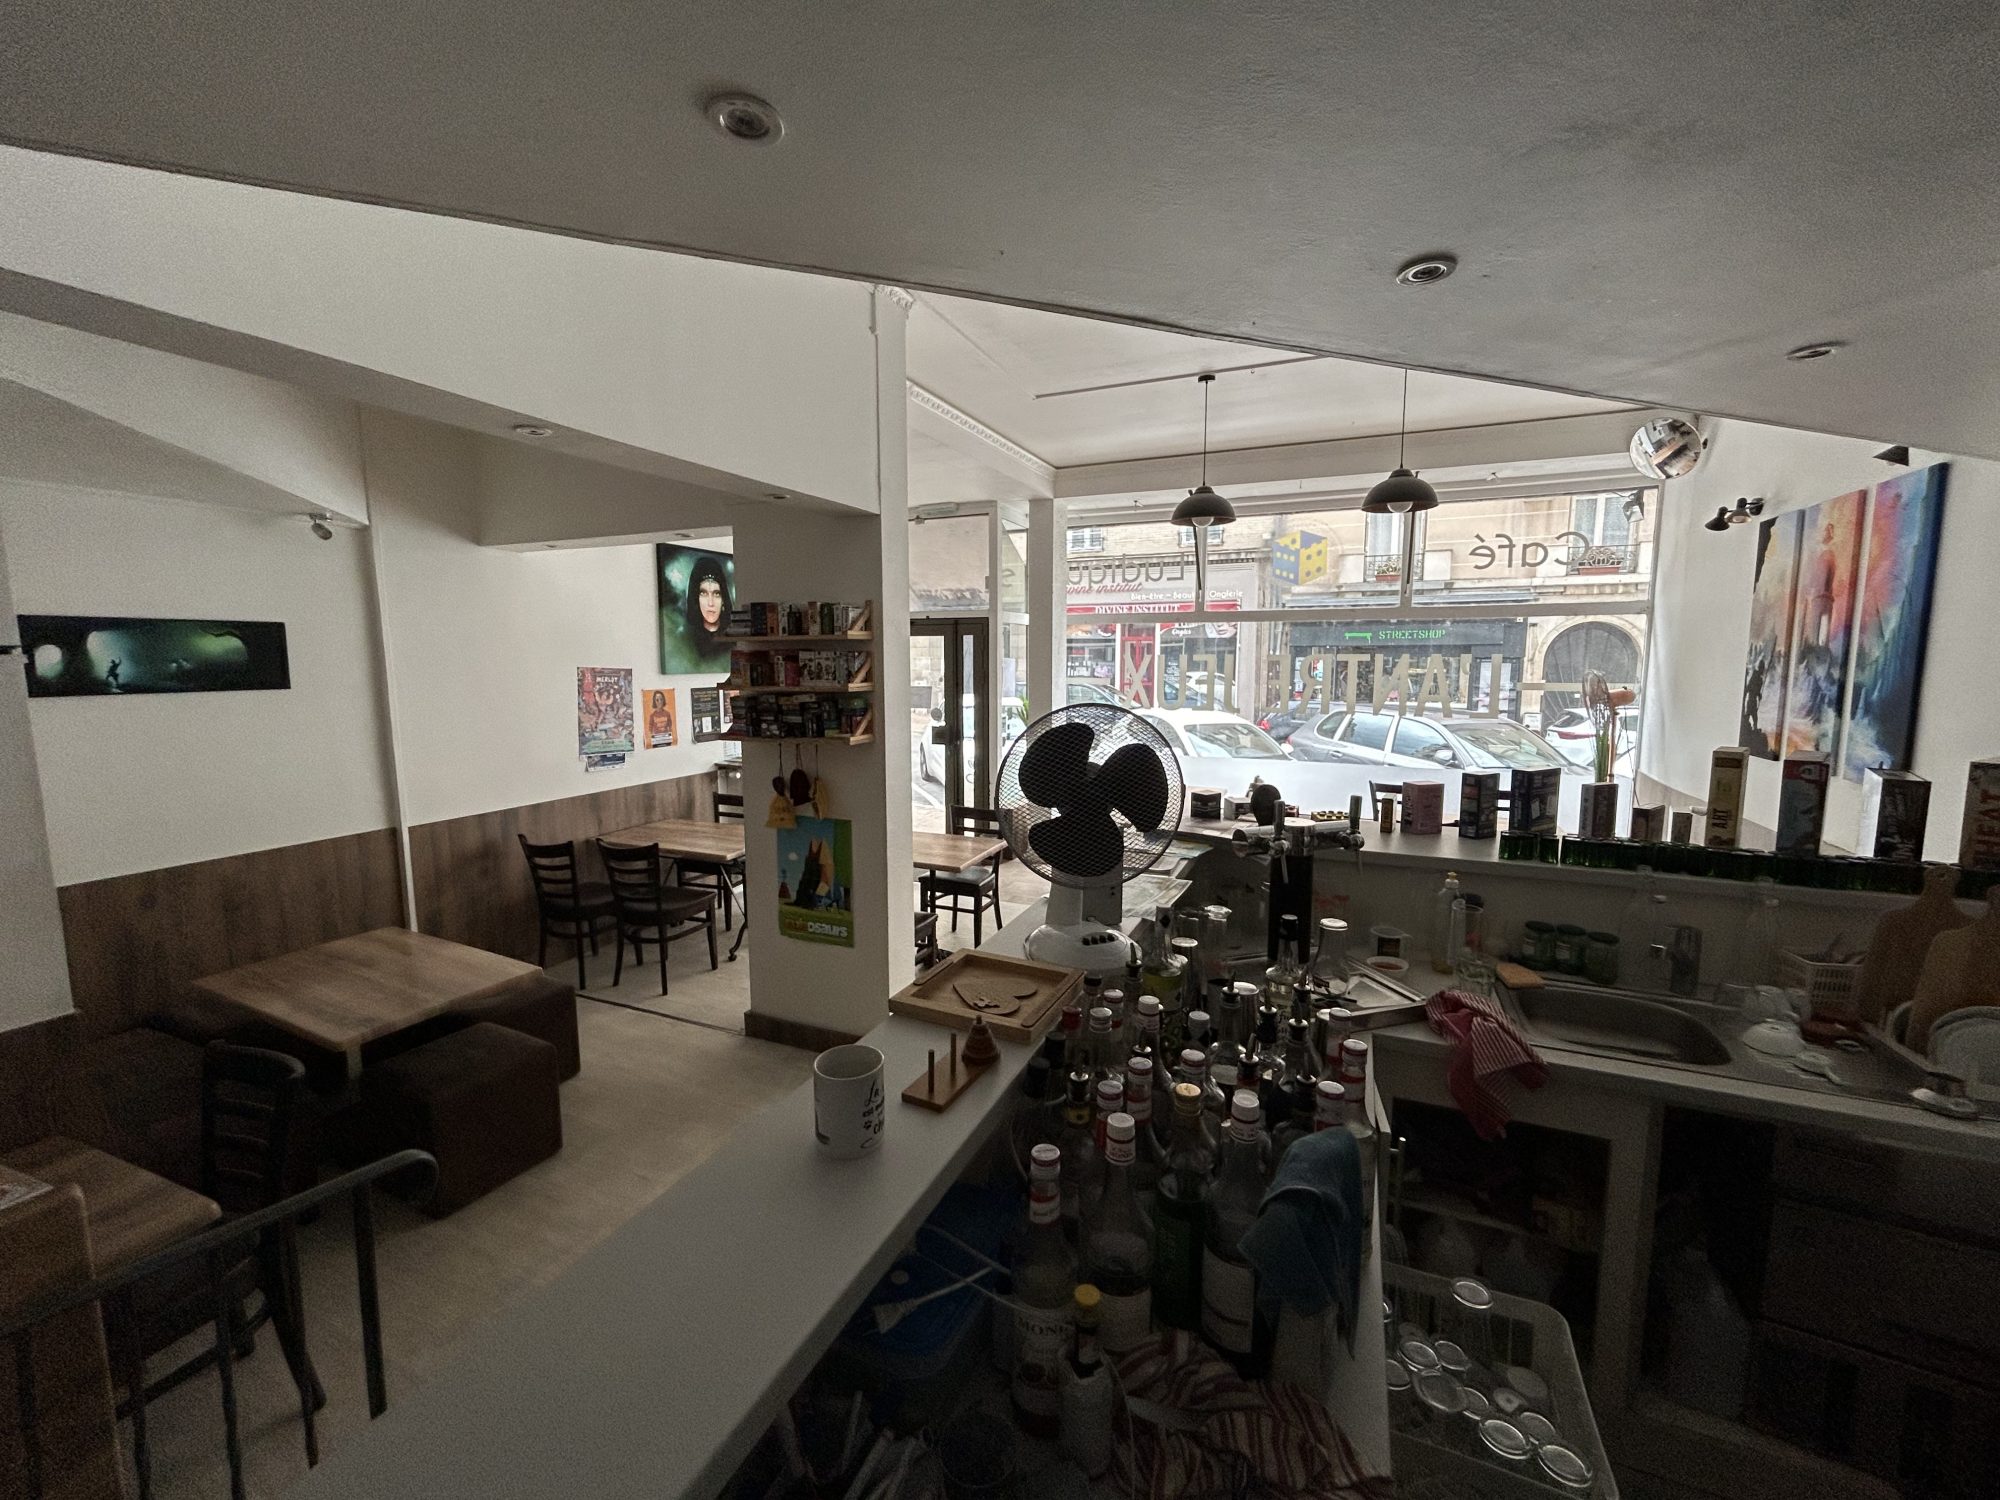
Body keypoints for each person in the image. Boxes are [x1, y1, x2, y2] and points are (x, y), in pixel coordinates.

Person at [684, 555, 731, 656]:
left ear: (723, 600)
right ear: (696, 599)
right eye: (704, 593)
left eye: (716, 594)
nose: (710, 603)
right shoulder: (686, 643)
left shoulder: (734, 641)